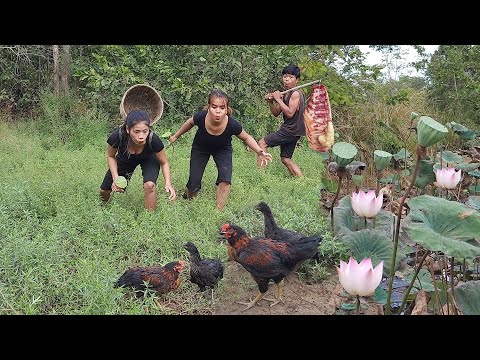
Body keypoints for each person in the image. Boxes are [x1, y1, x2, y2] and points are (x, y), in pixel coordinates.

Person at [169, 89, 272, 210]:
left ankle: (218, 211)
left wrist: (259, 151)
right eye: (214, 107)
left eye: (222, 108)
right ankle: (189, 200)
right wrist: (175, 136)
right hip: (200, 148)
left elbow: (246, 137)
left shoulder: (232, 124)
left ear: (227, 109)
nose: (218, 111)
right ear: (208, 107)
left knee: (225, 179)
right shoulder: (201, 117)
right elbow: (189, 122)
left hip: (222, 150)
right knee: (194, 183)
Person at [99, 109, 176, 210]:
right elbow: (110, 156)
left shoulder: (153, 139)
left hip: (149, 158)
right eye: (136, 132)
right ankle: (104, 210)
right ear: (127, 129)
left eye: (145, 131)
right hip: (125, 158)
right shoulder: (118, 136)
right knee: (104, 191)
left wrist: (168, 183)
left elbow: (164, 162)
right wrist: (115, 177)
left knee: (150, 186)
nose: (141, 136)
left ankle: (149, 219)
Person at [257, 64, 305, 177]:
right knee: (285, 159)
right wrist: (271, 102)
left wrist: (278, 99)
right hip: (293, 130)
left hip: (291, 130)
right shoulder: (286, 93)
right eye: (285, 76)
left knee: (262, 143)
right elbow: (276, 113)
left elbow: (289, 113)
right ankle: (302, 181)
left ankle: (260, 176)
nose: (287, 79)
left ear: (296, 80)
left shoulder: (295, 93)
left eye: (291, 77)